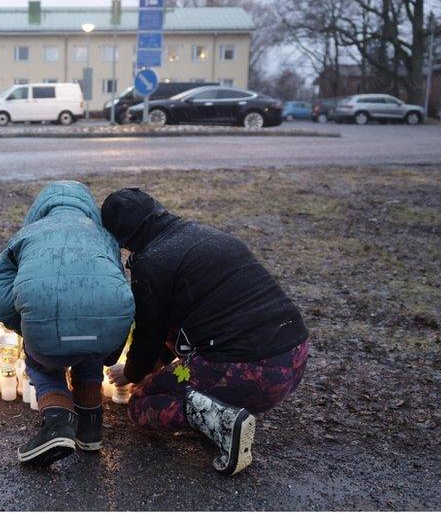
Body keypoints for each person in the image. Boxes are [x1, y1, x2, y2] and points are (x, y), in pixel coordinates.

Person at [100, 187, 309, 476]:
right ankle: (217, 410)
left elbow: (150, 333)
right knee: (172, 371)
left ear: (121, 238)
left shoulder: (152, 261)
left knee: (142, 404)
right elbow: (168, 331)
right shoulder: (202, 234)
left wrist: (133, 373)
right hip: (294, 354)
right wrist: (154, 366)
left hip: (251, 370)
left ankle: (221, 421)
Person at [0, 181, 134, 467]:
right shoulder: (105, 236)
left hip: (47, 339)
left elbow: (0, 298)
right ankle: (90, 426)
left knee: (42, 365)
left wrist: (27, 329)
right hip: (103, 337)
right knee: (89, 343)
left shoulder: (26, 235)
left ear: (40, 209)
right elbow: (115, 288)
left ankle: (58, 423)